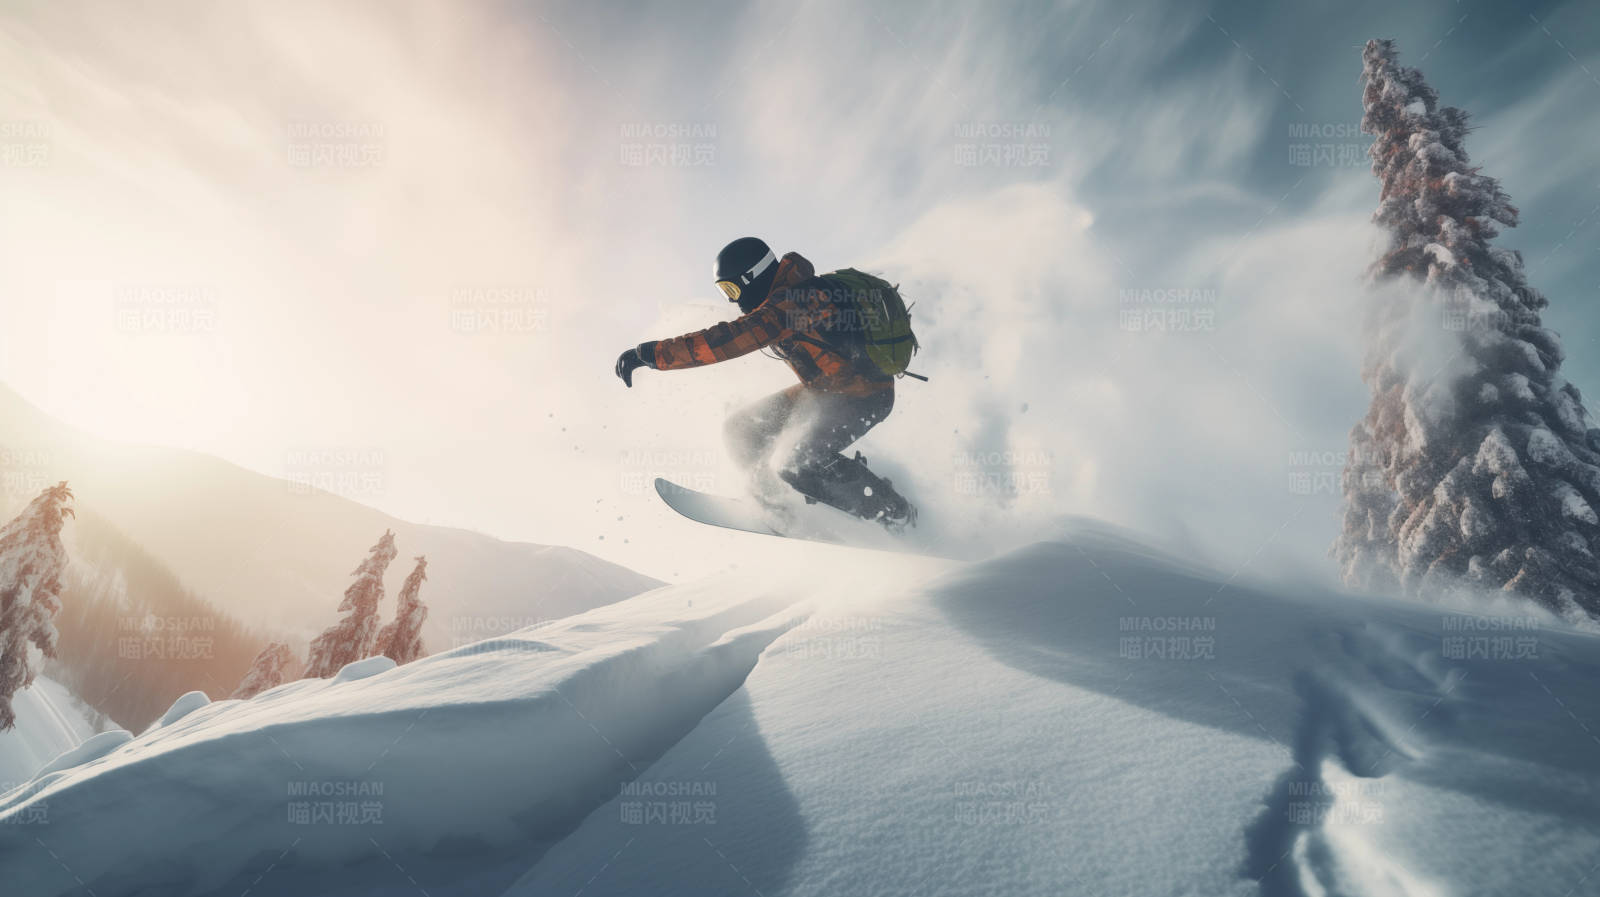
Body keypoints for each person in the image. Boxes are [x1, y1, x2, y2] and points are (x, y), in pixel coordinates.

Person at [615, 237, 915, 527]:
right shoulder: (785, 298)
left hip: (864, 395)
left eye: (732, 289)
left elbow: (729, 339)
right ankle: (778, 508)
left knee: (797, 463)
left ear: (752, 278)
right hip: (827, 390)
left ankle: (895, 513)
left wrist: (652, 354)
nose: (733, 300)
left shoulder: (796, 303)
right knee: (741, 430)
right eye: (724, 292)